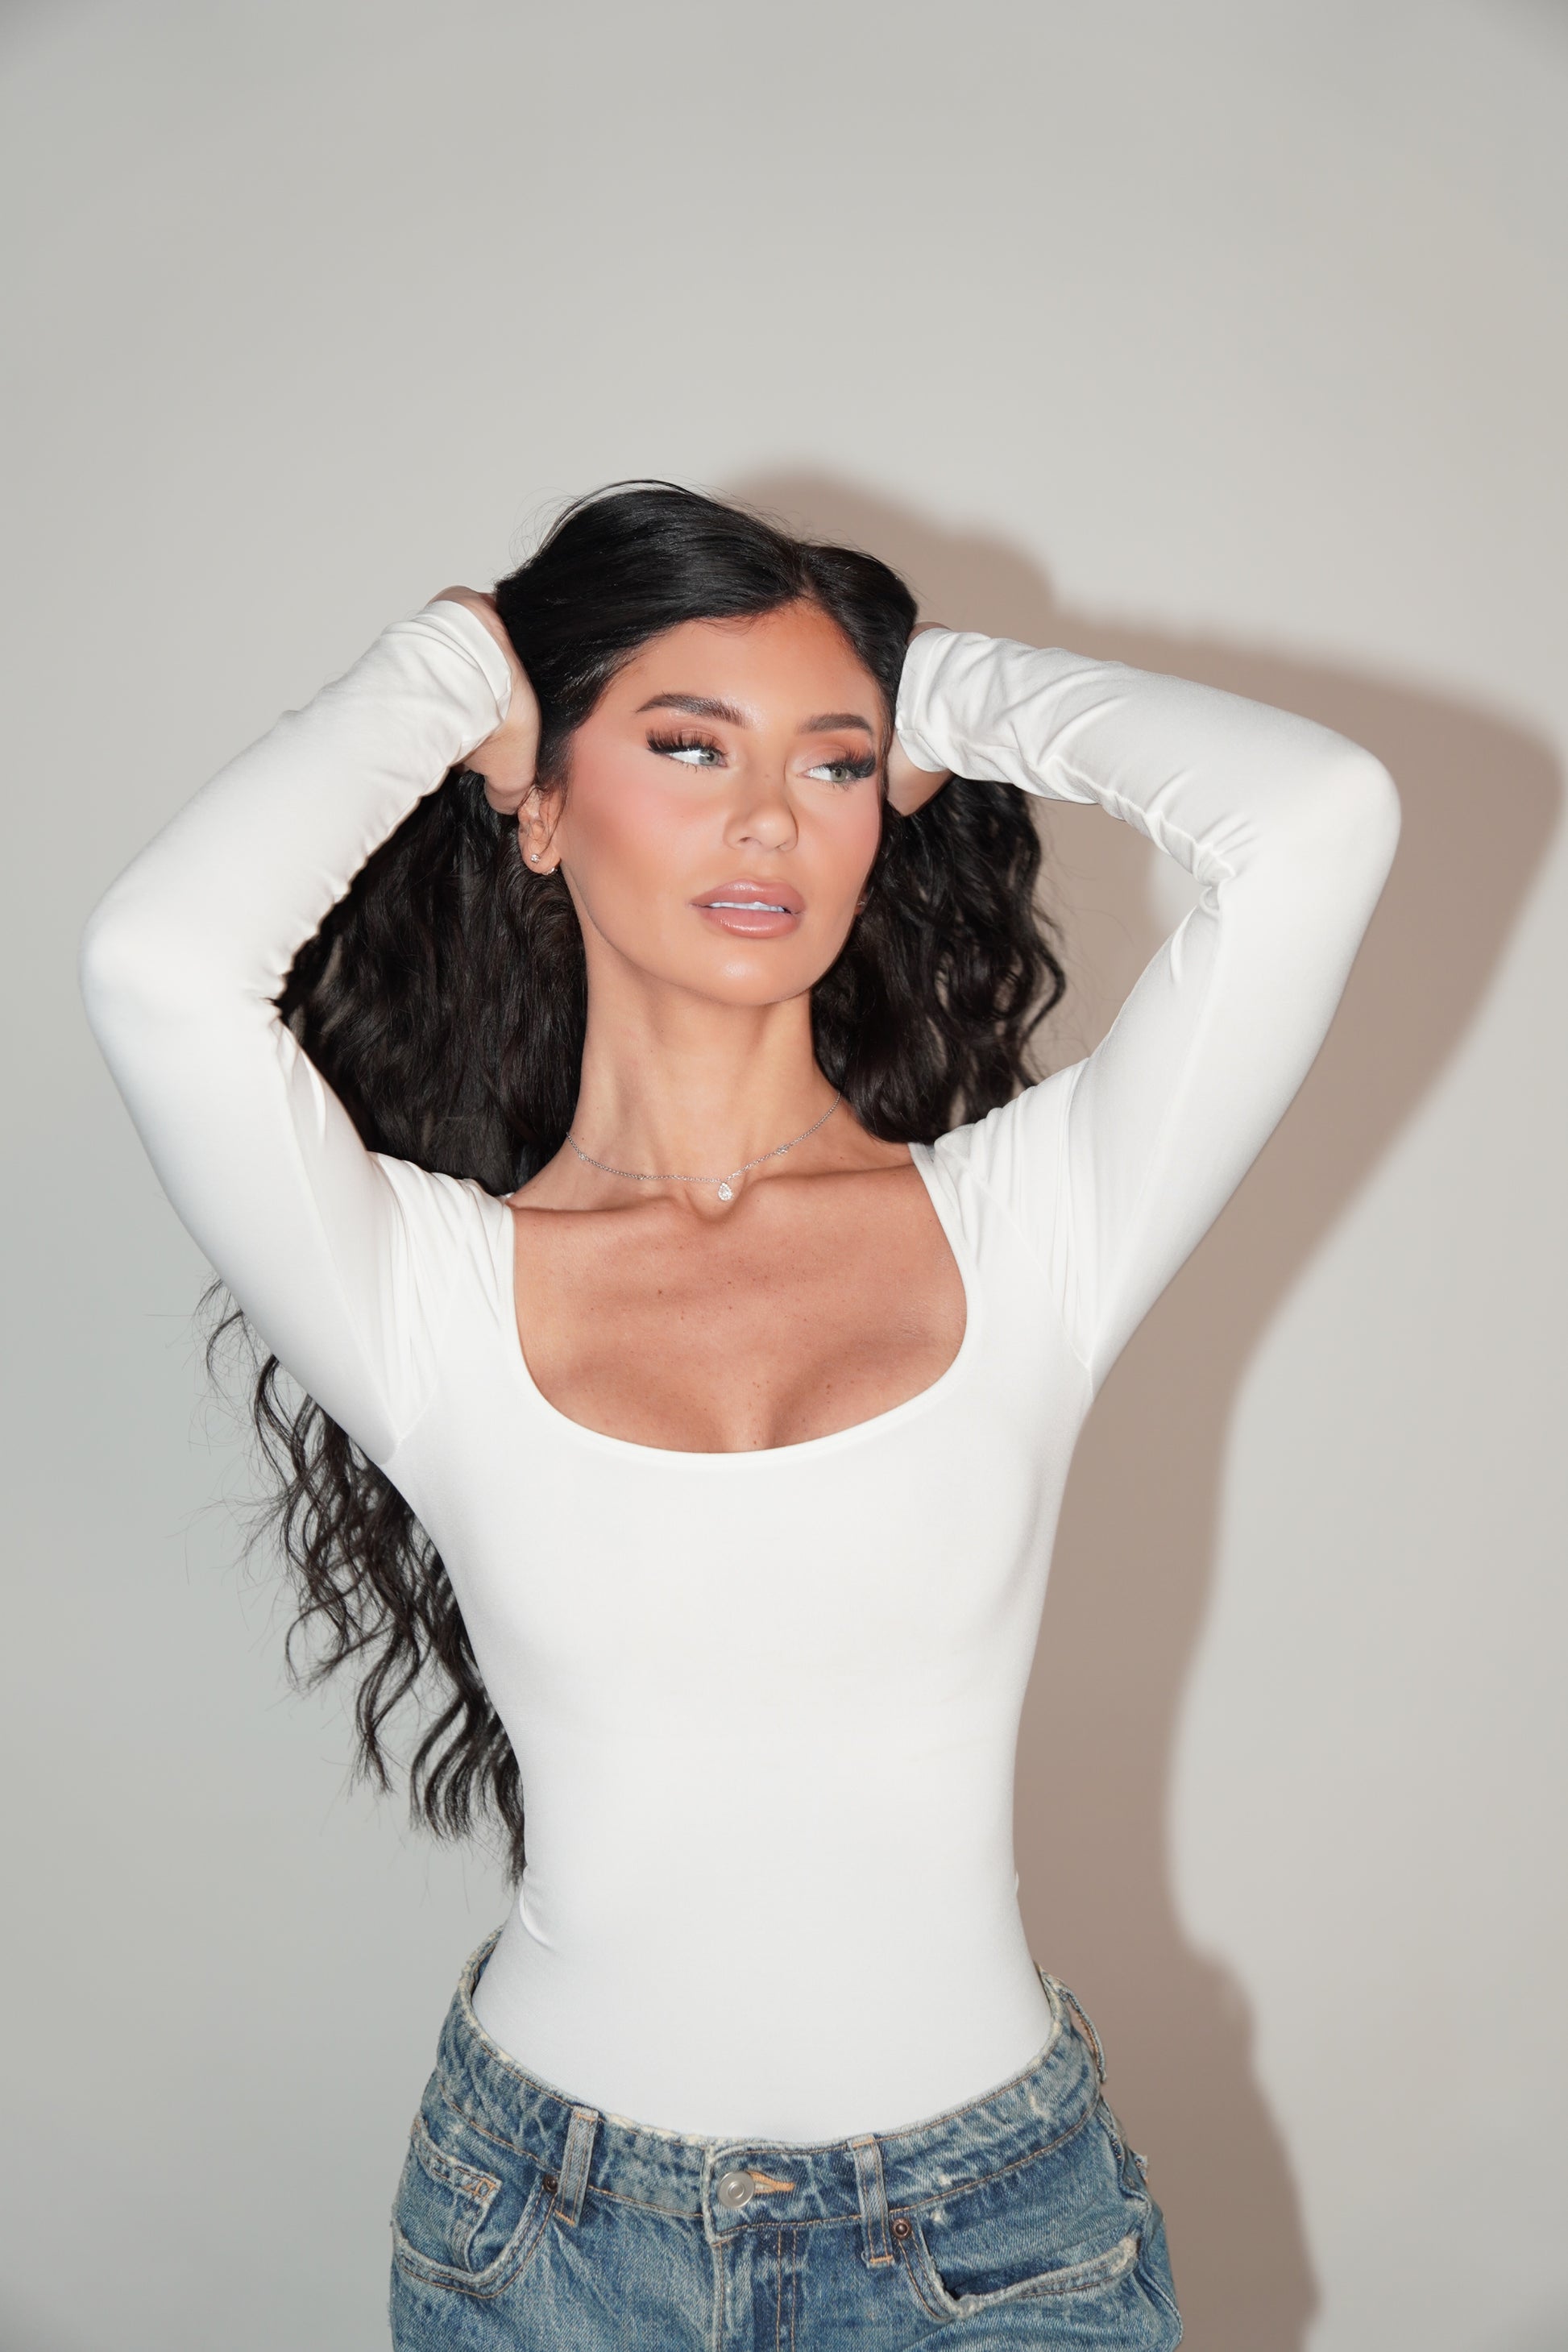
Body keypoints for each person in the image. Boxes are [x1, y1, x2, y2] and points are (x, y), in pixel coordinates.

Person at [80, 481, 1399, 2347]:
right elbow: (156, 969)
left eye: (832, 761)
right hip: (550, 2247)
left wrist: (941, 693)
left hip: (994, 2246)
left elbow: (1317, 820)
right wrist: (454, 665)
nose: (772, 814)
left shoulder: (1035, 1224)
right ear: (541, 801)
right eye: (690, 743)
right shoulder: (423, 1288)